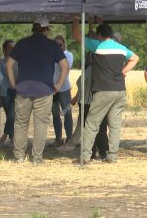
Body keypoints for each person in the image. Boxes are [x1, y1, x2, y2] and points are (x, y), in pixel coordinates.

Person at [72, 18, 139, 164]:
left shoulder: (98, 45)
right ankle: (112, 156)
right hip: (120, 90)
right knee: (115, 125)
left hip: (103, 90)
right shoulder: (121, 48)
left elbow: (76, 36)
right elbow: (135, 58)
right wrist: (123, 71)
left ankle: (85, 156)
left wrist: (75, 21)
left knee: (91, 123)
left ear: (100, 35)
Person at [6, 17, 69, 164]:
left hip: (23, 89)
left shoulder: (22, 43)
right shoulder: (52, 45)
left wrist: (14, 83)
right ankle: (37, 158)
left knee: (21, 123)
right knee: (40, 124)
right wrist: (58, 85)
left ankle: (19, 157)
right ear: (46, 29)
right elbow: (65, 66)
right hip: (44, 90)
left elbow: (9, 64)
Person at [57, 52, 109, 159]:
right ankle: (92, 152)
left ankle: (102, 152)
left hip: (92, 102)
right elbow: (83, 85)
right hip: (84, 102)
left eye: (88, 56)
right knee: (87, 129)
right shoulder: (87, 69)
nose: (86, 57)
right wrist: (76, 98)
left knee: (97, 129)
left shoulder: (96, 69)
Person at [51, 35, 74, 146]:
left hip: (64, 88)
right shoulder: (50, 56)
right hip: (52, 89)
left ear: (64, 45)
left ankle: (69, 138)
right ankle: (58, 138)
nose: (58, 47)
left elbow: (66, 66)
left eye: (60, 45)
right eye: (55, 45)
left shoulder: (68, 55)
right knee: (55, 114)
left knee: (67, 113)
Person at [0, 40, 17, 145]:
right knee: (10, 115)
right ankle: (11, 137)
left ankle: (6, 135)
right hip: (5, 91)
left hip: (16, 90)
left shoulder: (18, 61)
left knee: (12, 115)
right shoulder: (1, 62)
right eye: (10, 47)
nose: (12, 49)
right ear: (5, 49)